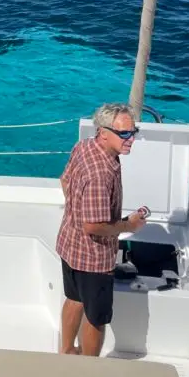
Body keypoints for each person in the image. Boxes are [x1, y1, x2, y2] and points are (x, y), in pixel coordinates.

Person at [56, 102, 146, 356]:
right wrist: (130, 224)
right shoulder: (102, 173)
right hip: (92, 260)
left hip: (69, 244)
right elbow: (93, 226)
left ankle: (66, 352)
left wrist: (76, 209)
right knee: (97, 318)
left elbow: (65, 181)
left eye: (133, 131)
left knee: (74, 299)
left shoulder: (84, 146)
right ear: (104, 132)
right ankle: (89, 369)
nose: (132, 139)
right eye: (125, 134)